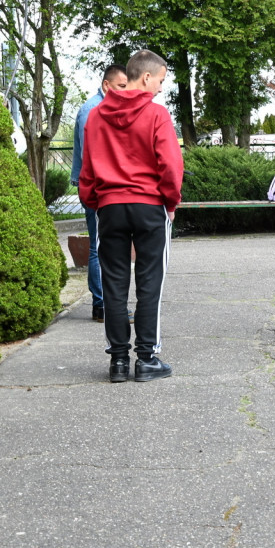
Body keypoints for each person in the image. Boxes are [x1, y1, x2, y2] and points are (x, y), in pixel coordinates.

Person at [79, 50, 183, 383]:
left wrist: (95, 200)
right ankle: (147, 359)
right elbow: (170, 164)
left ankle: (119, 362)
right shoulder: (156, 115)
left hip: (110, 207)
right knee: (151, 282)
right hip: (149, 205)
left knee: (114, 283)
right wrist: (170, 202)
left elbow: (88, 166)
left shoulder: (96, 116)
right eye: (161, 81)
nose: (161, 89)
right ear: (147, 77)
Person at [70, 64, 128, 322]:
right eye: (121, 87)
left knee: (108, 246)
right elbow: (89, 157)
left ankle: (109, 305)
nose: (125, 92)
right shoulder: (91, 110)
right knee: (97, 247)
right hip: (95, 189)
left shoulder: (108, 107)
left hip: (106, 189)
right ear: (107, 86)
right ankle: (101, 306)